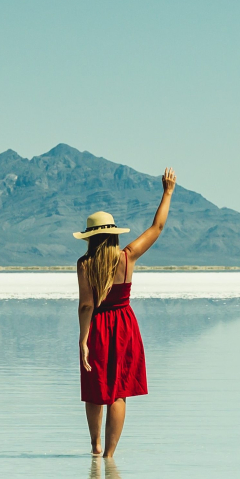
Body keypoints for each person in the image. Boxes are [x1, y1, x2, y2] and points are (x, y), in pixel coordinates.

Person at [74, 168, 176, 458]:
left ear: (90, 238)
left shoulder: (84, 264)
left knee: (95, 389)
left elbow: (86, 305)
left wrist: (83, 339)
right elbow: (157, 228)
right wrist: (167, 192)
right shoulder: (127, 257)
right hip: (123, 326)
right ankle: (109, 455)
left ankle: (94, 445)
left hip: (97, 326)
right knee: (117, 392)